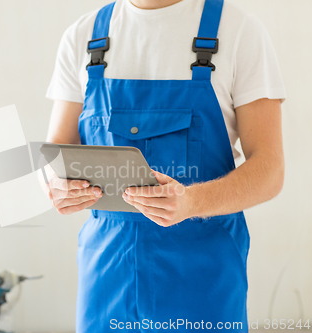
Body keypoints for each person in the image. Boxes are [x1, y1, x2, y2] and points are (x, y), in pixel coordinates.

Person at [45, 0, 286, 331]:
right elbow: (57, 152)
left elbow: (270, 169)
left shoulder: (239, 30)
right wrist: (56, 185)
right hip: (106, 277)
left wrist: (191, 202)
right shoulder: (83, 38)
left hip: (203, 281)